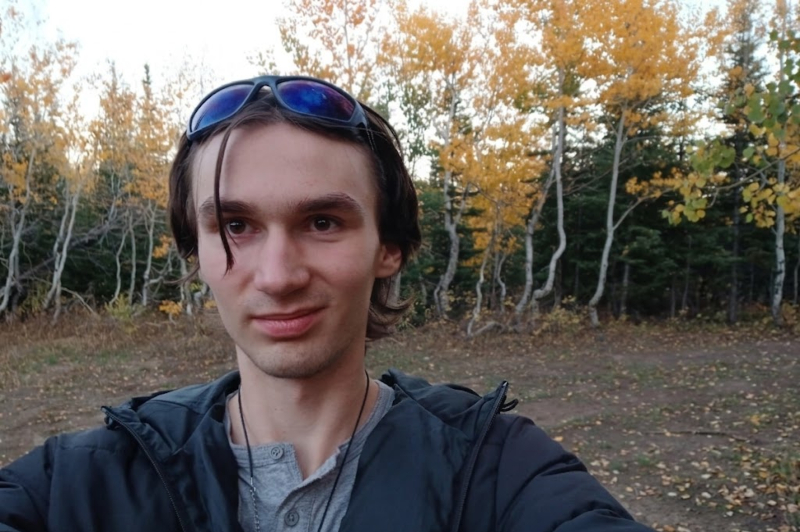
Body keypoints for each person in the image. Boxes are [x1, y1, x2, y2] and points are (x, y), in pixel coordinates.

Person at [0, 75, 654, 532]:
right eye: (235, 226)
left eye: (322, 222)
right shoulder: (86, 481)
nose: (278, 276)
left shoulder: (495, 468)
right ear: (195, 252)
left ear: (389, 247)